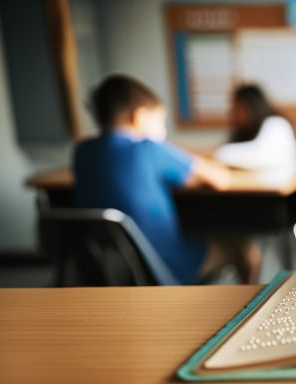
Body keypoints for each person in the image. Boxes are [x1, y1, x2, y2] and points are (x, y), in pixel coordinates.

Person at [73, 74, 236, 284]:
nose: (164, 132)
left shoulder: (82, 151)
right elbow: (220, 179)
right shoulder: (148, 148)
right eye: (161, 123)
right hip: (164, 265)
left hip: (107, 271)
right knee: (243, 250)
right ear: (138, 117)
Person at [214, 85, 296, 175]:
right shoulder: (242, 131)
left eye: (238, 109)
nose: (234, 113)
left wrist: (222, 153)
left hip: (274, 186)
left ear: (252, 107)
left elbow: (263, 156)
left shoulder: (276, 124)